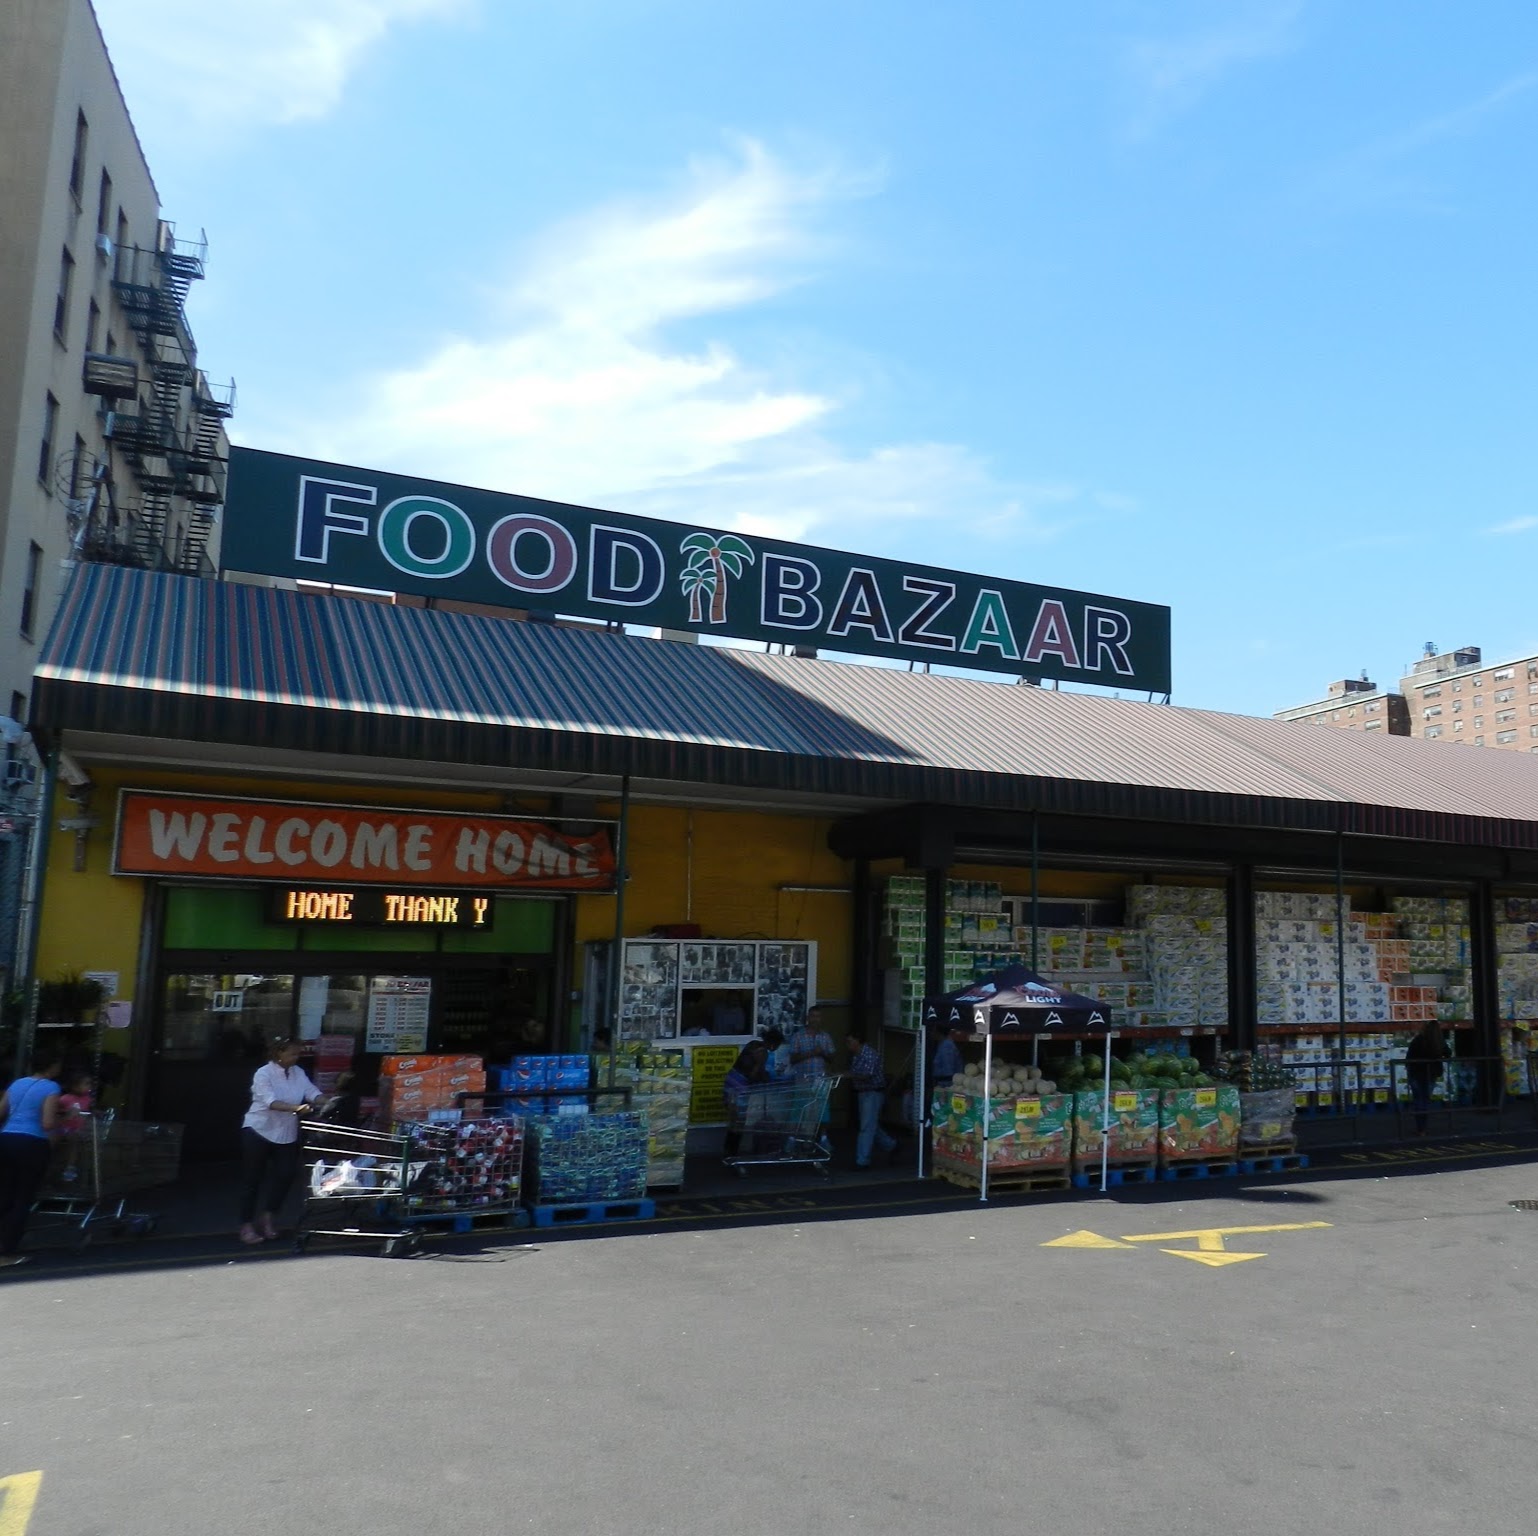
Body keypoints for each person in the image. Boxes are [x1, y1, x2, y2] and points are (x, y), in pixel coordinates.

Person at [239, 1037, 324, 1245]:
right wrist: (296, 1108)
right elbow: (270, 1102)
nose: (296, 1057)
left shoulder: (298, 1072)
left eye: (297, 1053)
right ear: (279, 1054)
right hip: (259, 1129)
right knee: (253, 1180)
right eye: (292, 1053)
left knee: (286, 1174)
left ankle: (268, 1216)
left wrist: (326, 1101)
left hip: (286, 1132)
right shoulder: (263, 1074)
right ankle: (246, 1225)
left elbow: (311, 1092)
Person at [0, 1052, 65, 1268]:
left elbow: (1, 1111)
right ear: (53, 1066)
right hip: (32, 1143)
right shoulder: (51, 1088)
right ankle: (6, 1252)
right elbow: (47, 1123)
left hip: (7, 1138)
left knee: (4, 1194)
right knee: (22, 1198)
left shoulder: (17, 1083)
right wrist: (63, 1125)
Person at [846, 1034, 897, 1169]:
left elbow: (867, 1075)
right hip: (863, 1093)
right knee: (870, 1124)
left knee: (866, 1127)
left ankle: (862, 1160)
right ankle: (891, 1145)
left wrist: (848, 1075)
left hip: (872, 1092)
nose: (848, 1044)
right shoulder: (856, 1055)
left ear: (858, 1040)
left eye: (850, 1041)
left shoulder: (869, 1055)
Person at [721, 1040, 770, 1157]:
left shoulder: (752, 1047)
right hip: (739, 1089)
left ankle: (730, 1150)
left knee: (735, 1122)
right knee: (738, 1122)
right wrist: (761, 1069)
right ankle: (732, 1152)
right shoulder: (760, 1052)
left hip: (731, 1085)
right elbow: (752, 1076)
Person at [1404, 1021, 1450, 1136]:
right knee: (1425, 1099)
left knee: (1418, 1100)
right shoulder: (1438, 1041)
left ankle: (1420, 1128)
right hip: (1431, 1074)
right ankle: (1423, 1128)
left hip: (1416, 1073)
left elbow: (1409, 1056)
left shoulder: (1419, 1040)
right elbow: (1448, 1053)